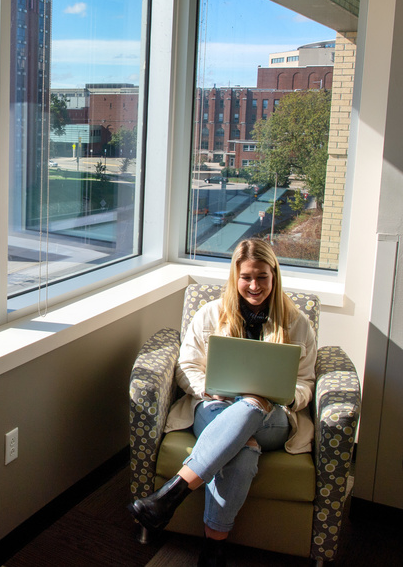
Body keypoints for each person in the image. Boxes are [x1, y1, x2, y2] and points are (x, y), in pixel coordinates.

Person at [128, 239, 317, 567]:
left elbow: (306, 382)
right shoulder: (210, 313)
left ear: (275, 276)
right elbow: (186, 367)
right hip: (213, 408)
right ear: (235, 276)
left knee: (254, 404)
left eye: (262, 276)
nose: (254, 285)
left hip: (275, 419)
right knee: (243, 448)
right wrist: (207, 389)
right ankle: (213, 551)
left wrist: (285, 394)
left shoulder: (297, 322)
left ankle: (173, 492)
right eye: (246, 277)